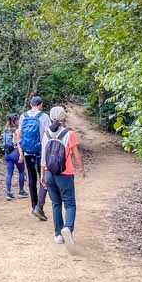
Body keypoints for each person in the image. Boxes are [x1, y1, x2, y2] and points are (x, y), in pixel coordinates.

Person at [40, 106, 86, 250]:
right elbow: (76, 154)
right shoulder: (69, 134)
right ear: (63, 118)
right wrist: (82, 169)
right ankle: (68, 228)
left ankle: (58, 234)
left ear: (51, 117)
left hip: (49, 173)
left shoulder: (46, 133)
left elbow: (43, 156)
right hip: (65, 174)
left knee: (56, 203)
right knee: (70, 203)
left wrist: (42, 174)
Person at [17, 95, 50, 222]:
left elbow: (19, 133)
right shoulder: (44, 116)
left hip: (27, 152)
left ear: (31, 104)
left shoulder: (23, 116)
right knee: (43, 178)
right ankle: (39, 207)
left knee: (31, 179)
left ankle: (33, 206)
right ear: (40, 104)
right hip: (40, 152)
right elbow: (48, 134)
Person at [1, 114, 27, 201]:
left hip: (7, 154)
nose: (19, 121)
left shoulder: (5, 130)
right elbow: (18, 144)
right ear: (14, 121)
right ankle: (21, 191)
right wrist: (21, 155)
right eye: (18, 120)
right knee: (21, 171)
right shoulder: (17, 131)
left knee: (9, 173)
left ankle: (8, 192)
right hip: (15, 152)